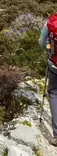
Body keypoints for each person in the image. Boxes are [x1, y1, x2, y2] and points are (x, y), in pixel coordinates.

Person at [39, 17, 57, 146]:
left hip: (54, 65)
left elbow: (41, 42)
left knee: (54, 94)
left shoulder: (50, 22)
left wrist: (49, 48)